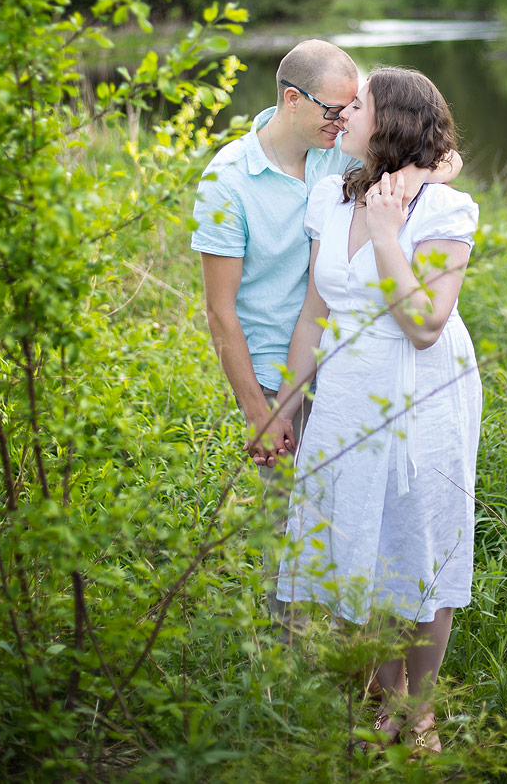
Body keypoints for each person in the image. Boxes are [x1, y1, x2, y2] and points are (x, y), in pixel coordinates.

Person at [191, 41, 462, 625]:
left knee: (354, 517)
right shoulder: (227, 181)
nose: (344, 122)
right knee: (291, 525)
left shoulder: (335, 159)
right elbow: (219, 313)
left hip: (347, 368)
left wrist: (421, 169)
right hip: (275, 373)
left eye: (352, 109)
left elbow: (438, 158)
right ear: (293, 100)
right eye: (334, 110)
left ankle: (356, 662)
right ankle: (290, 677)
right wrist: (259, 411)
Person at [274, 67, 481, 753]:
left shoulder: (444, 210)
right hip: (345, 392)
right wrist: (283, 408)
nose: (342, 114)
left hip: (421, 390)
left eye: (355, 104)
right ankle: (383, 697)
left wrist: (388, 232)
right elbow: (313, 315)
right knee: (357, 538)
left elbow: (424, 323)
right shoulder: (331, 197)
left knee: (418, 540)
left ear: (387, 121)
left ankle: (419, 710)